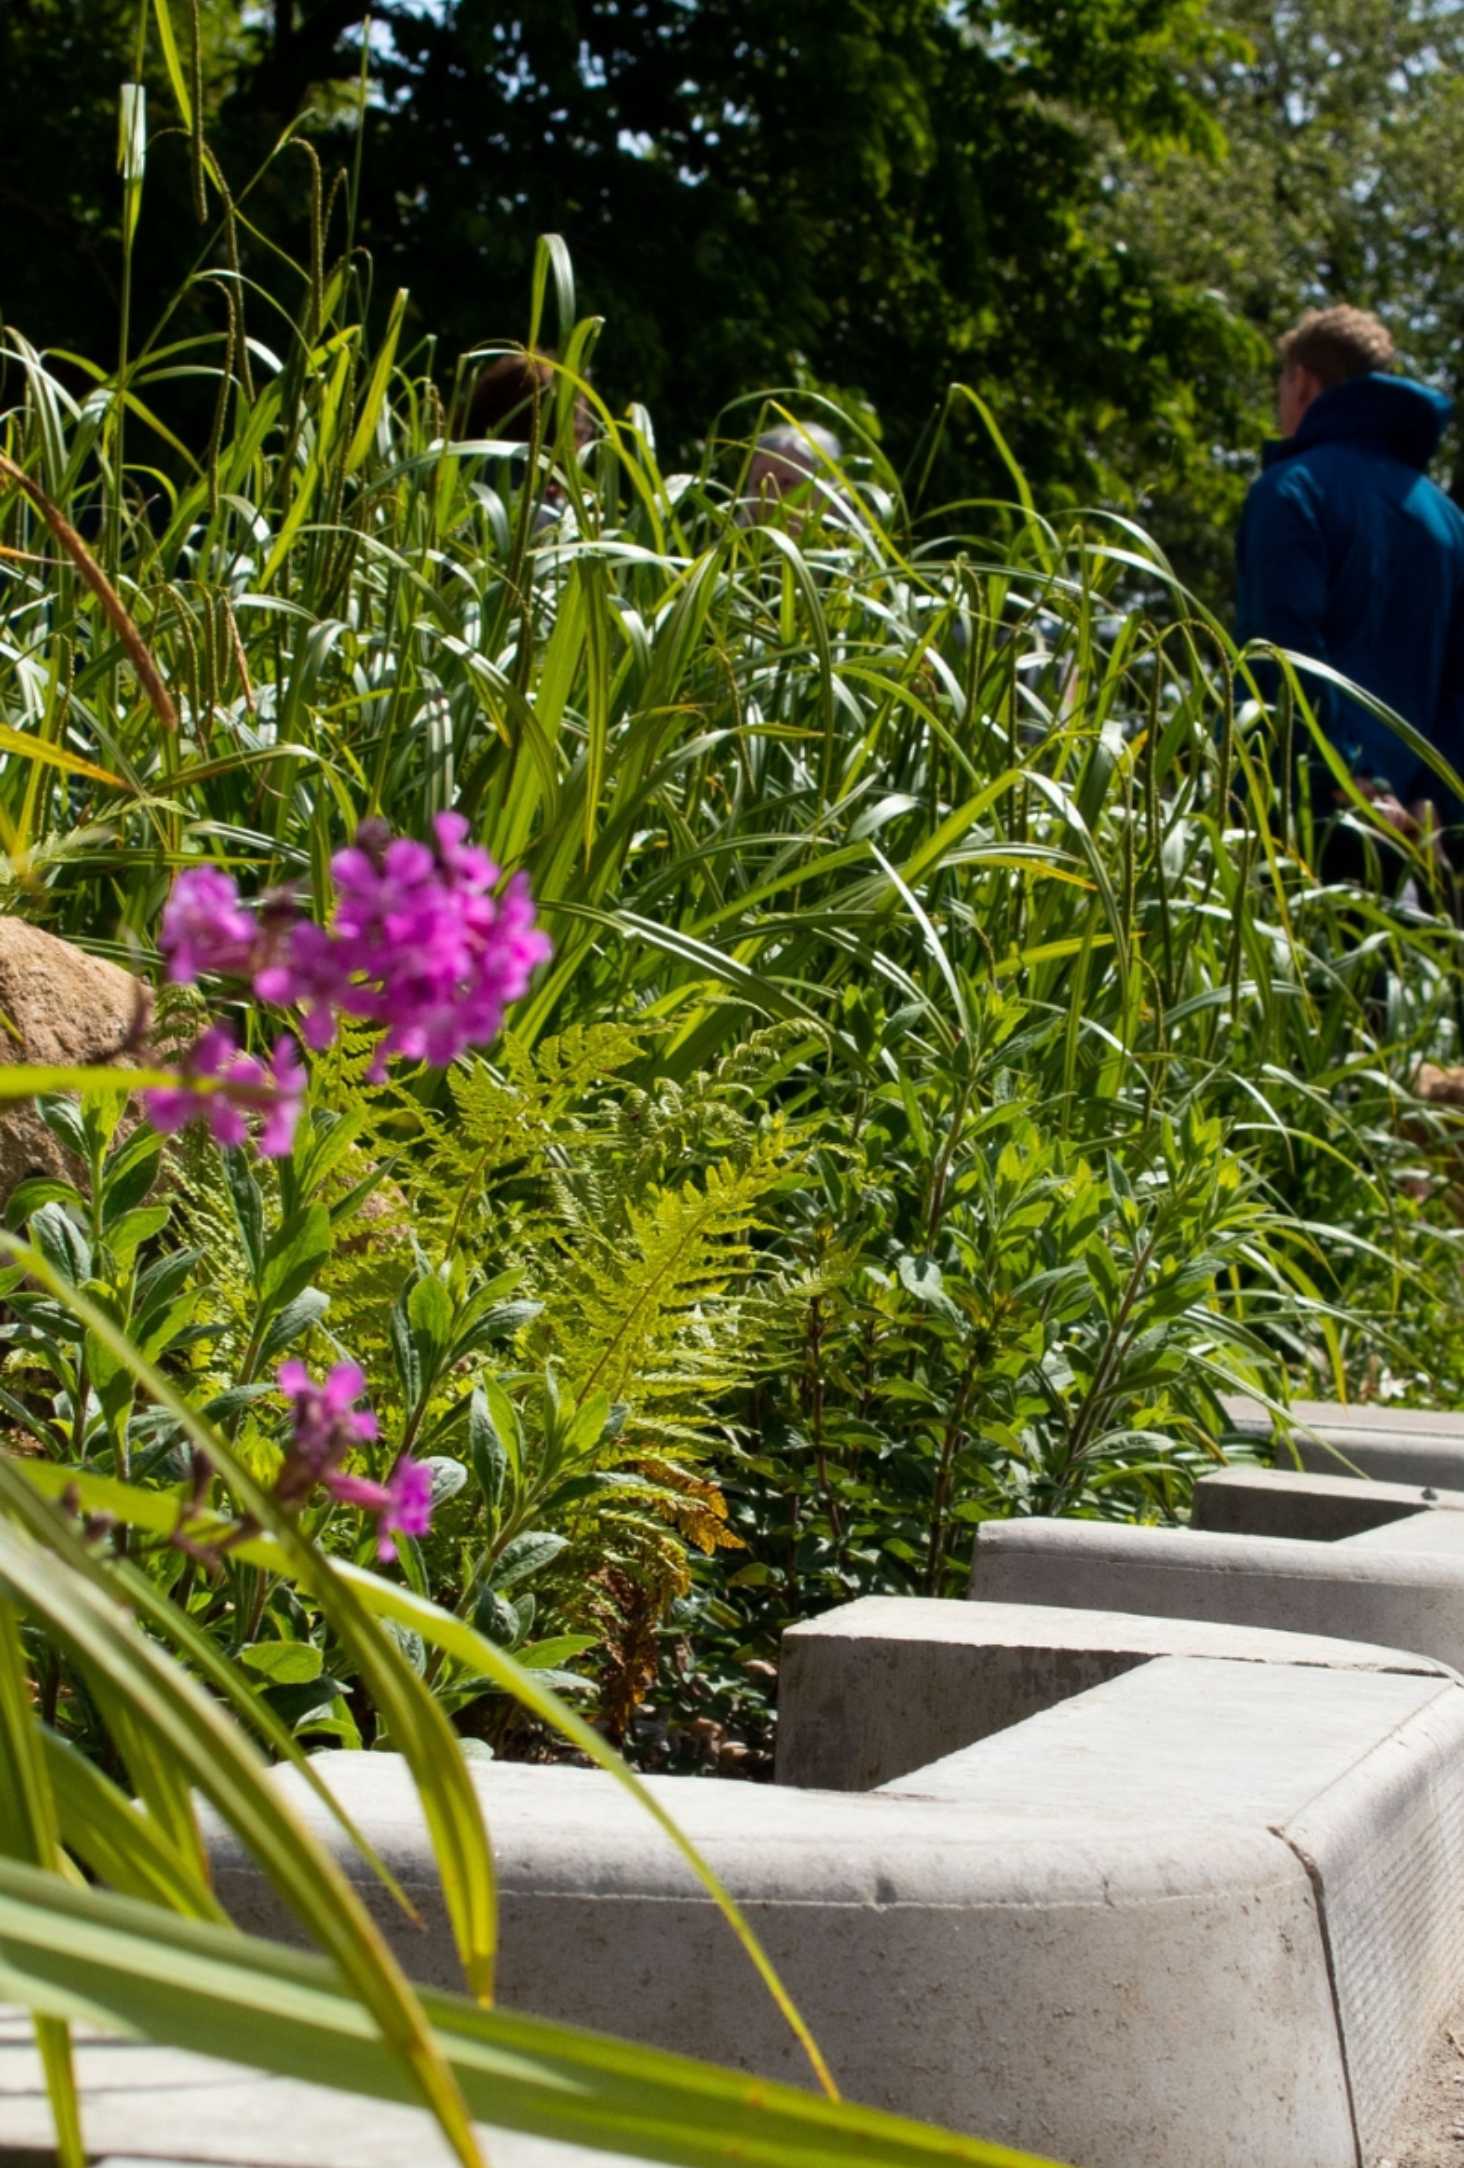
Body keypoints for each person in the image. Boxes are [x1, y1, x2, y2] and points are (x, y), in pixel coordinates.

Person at [1235, 305, 1464, 866]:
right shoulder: (1449, 521)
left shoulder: (1292, 490)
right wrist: (1435, 800)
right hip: (1417, 834)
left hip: (1303, 815)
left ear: (1303, 383)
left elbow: (1281, 652)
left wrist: (1347, 776)